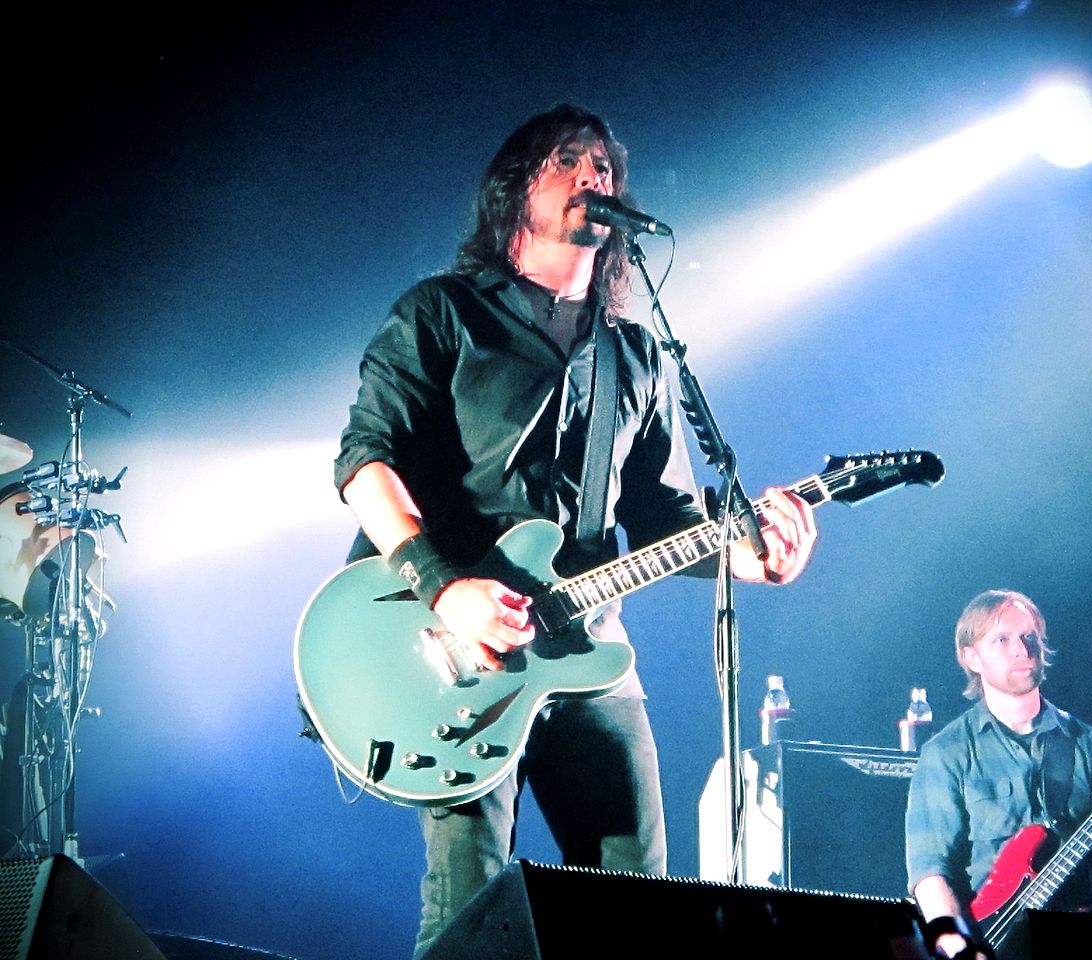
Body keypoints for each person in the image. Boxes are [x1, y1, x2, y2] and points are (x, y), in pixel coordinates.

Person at [332, 103, 818, 958]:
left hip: (589, 646)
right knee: (469, 905)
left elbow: (664, 516)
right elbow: (365, 461)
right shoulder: (444, 313)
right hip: (458, 646)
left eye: (605, 166)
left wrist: (750, 556)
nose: (595, 175)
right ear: (517, 189)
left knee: (638, 904)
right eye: (569, 160)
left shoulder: (638, 354)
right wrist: (446, 588)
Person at [904, 589, 1092, 959]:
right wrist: (961, 950)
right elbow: (930, 872)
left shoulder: (1088, 742)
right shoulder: (947, 752)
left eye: (1028, 636)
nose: (1022, 649)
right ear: (972, 658)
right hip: (987, 939)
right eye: (1002, 639)